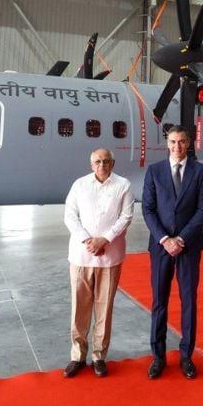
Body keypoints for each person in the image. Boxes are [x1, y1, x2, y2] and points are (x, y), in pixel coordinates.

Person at [143, 126, 203, 379]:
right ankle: (158, 356)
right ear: (167, 143)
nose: (177, 147)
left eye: (182, 142)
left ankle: (186, 356)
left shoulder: (201, 171)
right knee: (159, 301)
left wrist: (181, 239)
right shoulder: (154, 171)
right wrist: (164, 239)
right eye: (173, 142)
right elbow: (148, 210)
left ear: (189, 143)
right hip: (160, 247)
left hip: (189, 246)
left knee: (188, 301)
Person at [62, 148, 133, 379]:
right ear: (91, 164)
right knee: (79, 308)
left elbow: (126, 217)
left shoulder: (124, 185)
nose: (101, 165)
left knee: (104, 308)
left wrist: (105, 239)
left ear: (112, 163)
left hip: (110, 257)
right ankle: (77, 356)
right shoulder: (79, 185)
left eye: (106, 161)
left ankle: (99, 356)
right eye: (97, 161)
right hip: (82, 256)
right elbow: (70, 216)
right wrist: (88, 240)